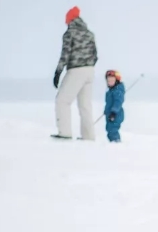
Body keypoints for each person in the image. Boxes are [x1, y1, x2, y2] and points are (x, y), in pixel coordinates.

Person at [51, 6, 98, 141]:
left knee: (62, 101)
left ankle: (64, 133)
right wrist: (89, 65)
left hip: (76, 70)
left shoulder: (70, 33)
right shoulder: (90, 34)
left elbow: (65, 55)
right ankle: (88, 137)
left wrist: (58, 72)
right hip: (90, 71)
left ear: (70, 19)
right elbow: (95, 55)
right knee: (85, 105)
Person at [103, 70, 126, 142]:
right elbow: (109, 103)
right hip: (110, 114)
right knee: (109, 128)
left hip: (116, 114)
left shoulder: (117, 91)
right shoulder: (110, 91)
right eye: (108, 80)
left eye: (112, 80)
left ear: (116, 81)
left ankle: (116, 141)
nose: (110, 82)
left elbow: (118, 102)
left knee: (113, 129)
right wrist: (106, 111)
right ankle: (112, 142)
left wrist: (114, 112)